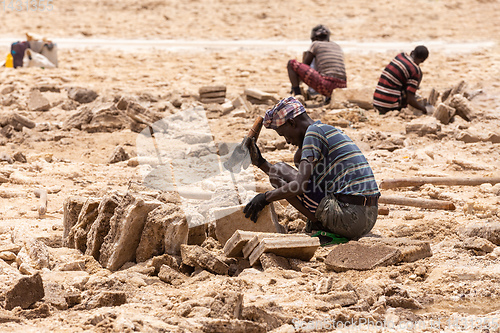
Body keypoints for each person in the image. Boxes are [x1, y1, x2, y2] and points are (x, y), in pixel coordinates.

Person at [243, 97, 380, 240]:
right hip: (368, 215)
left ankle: (318, 224)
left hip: (351, 217)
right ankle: (320, 221)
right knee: (289, 164)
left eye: (284, 135)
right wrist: (260, 162)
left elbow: (299, 186)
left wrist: (265, 198)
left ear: (291, 122)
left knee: (278, 171)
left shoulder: (312, 134)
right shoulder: (324, 130)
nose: (287, 141)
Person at [287, 25, 347, 103]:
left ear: (314, 38)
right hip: (342, 86)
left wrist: (295, 84)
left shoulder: (315, 44)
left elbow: (305, 65)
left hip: (326, 85)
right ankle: (329, 98)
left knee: (292, 64)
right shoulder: (336, 46)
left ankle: (298, 95)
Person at [373, 45, 431, 114]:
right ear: (423, 60)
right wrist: (424, 109)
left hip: (376, 101)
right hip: (388, 106)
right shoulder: (415, 70)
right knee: (408, 92)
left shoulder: (401, 55)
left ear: (412, 52)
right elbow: (410, 99)